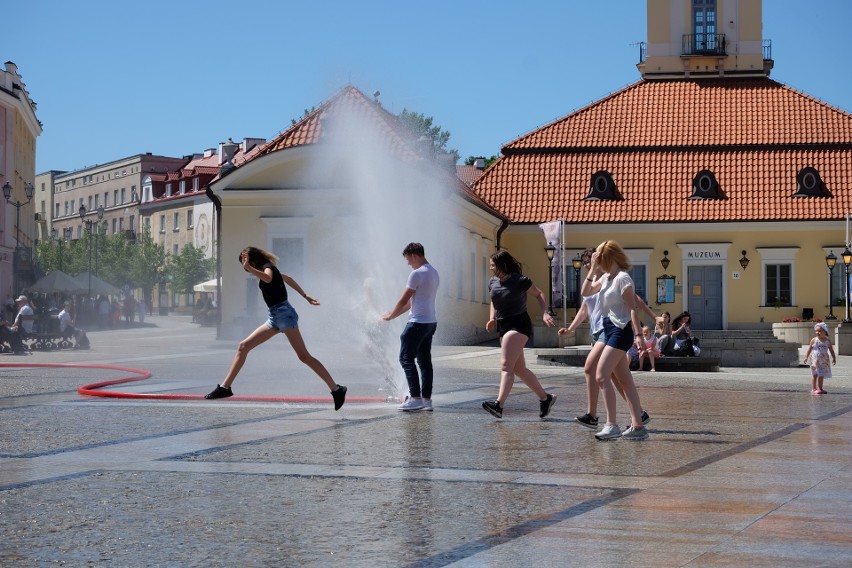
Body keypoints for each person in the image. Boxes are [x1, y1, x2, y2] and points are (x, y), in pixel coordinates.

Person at [205, 246, 347, 410]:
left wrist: (249, 268)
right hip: (274, 317)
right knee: (243, 346)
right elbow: (288, 279)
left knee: (304, 356)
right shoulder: (270, 269)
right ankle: (225, 387)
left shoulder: (268, 268)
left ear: (252, 260)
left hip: (284, 314)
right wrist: (305, 296)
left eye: (245, 263)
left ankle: (337, 389)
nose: (245, 269)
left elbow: (268, 279)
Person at [558, 247, 652, 430]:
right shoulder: (601, 279)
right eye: (587, 262)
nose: (587, 265)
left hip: (612, 330)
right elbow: (584, 306)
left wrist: (642, 328)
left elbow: (635, 302)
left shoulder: (619, 278)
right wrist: (570, 329)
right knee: (619, 378)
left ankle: (602, 419)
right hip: (602, 332)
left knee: (594, 370)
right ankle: (638, 416)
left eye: (591, 261)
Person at [580, 241, 649, 440]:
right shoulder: (606, 278)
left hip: (621, 330)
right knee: (624, 380)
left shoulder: (622, 278)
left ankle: (612, 424)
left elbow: (632, 309)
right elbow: (585, 292)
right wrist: (592, 269)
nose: (596, 262)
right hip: (608, 328)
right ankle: (638, 425)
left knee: (601, 375)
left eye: (598, 258)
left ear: (608, 258)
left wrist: (638, 335)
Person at [481, 250, 557, 420]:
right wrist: (492, 318)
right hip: (503, 325)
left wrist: (544, 312)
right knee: (519, 369)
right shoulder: (492, 282)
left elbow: (539, 294)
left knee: (506, 366)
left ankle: (499, 405)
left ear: (502, 265)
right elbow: (493, 301)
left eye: (493, 265)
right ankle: (545, 398)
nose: (491, 268)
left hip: (519, 324)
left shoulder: (519, 280)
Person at [381, 243, 440, 412]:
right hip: (430, 322)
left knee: (406, 358)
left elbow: (403, 299)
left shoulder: (416, 274)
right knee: (424, 361)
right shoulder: (433, 272)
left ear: (414, 255)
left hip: (416, 323)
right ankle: (426, 400)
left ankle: (415, 398)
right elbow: (412, 303)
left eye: (408, 259)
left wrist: (391, 315)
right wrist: (393, 315)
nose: (408, 263)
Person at [803, 322, 835, 395]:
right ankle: (814, 388)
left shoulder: (827, 341)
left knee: (821, 374)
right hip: (814, 360)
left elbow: (831, 350)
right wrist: (806, 357)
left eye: (820, 331)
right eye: (816, 331)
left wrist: (834, 357)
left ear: (825, 331)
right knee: (814, 374)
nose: (817, 332)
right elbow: (809, 349)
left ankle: (820, 388)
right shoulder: (814, 340)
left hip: (823, 360)